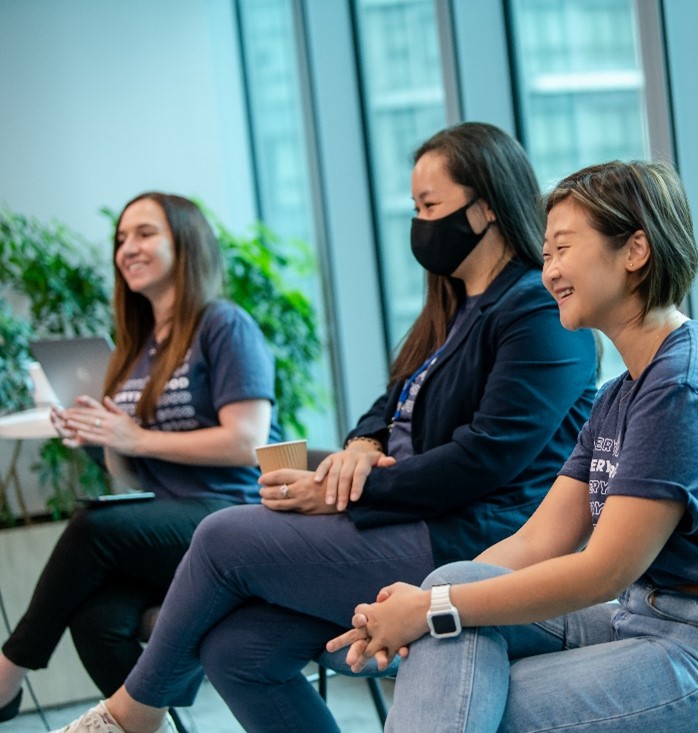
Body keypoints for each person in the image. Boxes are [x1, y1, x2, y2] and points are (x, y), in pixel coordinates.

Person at [52, 121, 597, 733]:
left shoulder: (535, 310)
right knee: (238, 651)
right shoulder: (449, 310)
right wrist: (361, 449)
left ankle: (131, 714)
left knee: (223, 535)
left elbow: (486, 458)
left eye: (430, 206)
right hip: (412, 518)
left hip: (472, 540)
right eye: (414, 207)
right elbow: (385, 407)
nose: (419, 223)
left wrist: (344, 489)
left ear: (487, 208)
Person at [328, 160, 698, 732]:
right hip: (640, 616)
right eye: (545, 256)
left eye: (563, 249)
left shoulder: (683, 388)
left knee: (474, 704)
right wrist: (418, 604)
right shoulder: (624, 391)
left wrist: (430, 612)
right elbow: (541, 539)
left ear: (636, 249)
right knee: (449, 589)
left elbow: (602, 572)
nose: (550, 272)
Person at [0, 192, 280, 723]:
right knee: (98, 618)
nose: (128, 248)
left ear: (186, 241)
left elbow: (248, 440)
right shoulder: (138, 346)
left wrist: (135, 438)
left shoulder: (223, 325)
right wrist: (102, 435)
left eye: (145, 234)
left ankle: (5, 677)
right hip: (169, 524)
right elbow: (129, 470)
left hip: (234, 514)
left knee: (93, 528)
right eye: (121, 239)